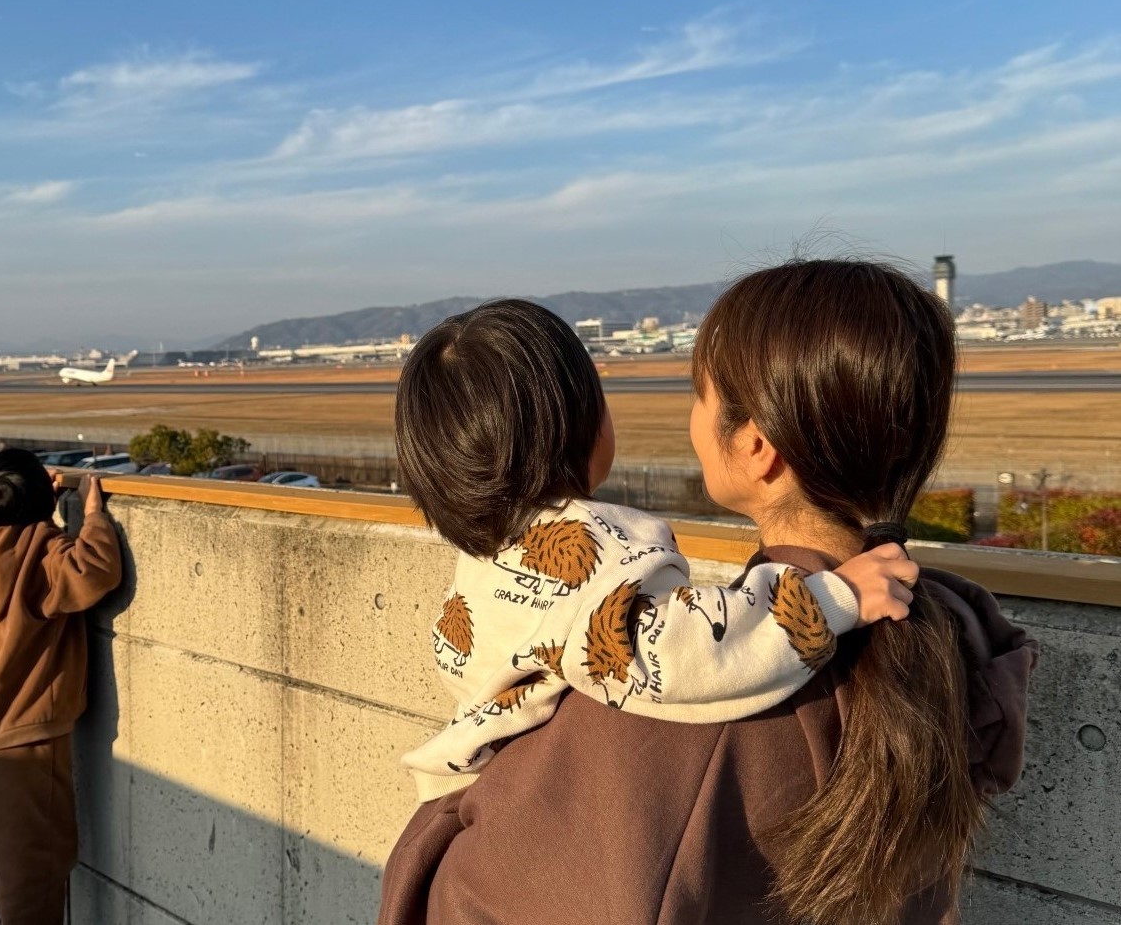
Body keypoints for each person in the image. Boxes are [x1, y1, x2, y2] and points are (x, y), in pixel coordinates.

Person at [380, 262, 1037, 925]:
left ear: (757, 446)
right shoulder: (946, 635)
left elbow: (482, 901)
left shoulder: (680, 710)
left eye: (700, 394)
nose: (690, 419)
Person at [393, 299, 918, 800]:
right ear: (580, 426)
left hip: (476, 783)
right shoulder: (593, 550)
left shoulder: (487, 549)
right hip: (531, 802)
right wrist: (837, 597)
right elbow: (687, 651)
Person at [0, 449, 123, 925]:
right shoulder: (44, 554)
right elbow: (96, 570)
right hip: (23, 735)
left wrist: (31, 497)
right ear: (39, 500)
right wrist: (90, 513)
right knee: (32, 871)